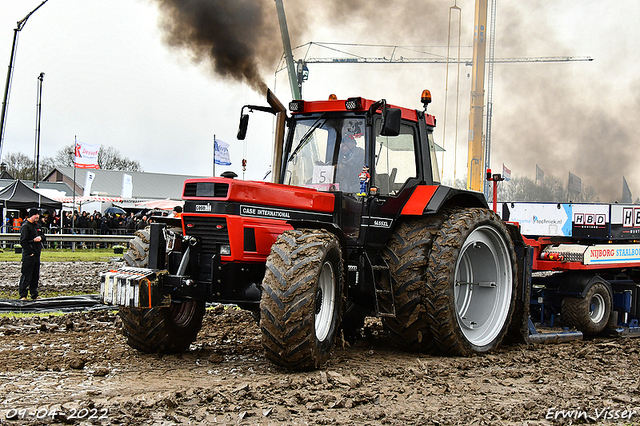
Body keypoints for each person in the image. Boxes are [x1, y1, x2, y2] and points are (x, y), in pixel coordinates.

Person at [19, 208, 46, 300]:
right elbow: (23, 241)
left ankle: (34, 294)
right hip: (29, 255)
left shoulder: (37, 225)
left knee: (35, 276)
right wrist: (30, 252)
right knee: (26, 275)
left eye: (38, 215)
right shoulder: (26, 226)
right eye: (36, 215)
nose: (37, 216)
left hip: (37, 254)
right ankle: (23, 294)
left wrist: (41, 238)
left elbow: (44, 236)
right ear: (31, 215)